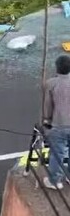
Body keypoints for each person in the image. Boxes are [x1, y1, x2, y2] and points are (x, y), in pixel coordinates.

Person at [43, 55, 70, 190]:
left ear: (57, 67)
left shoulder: (51, 83)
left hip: (59, 124)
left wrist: (47, 120)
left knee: (57, 153)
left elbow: (48, 106)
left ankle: (55, 181)